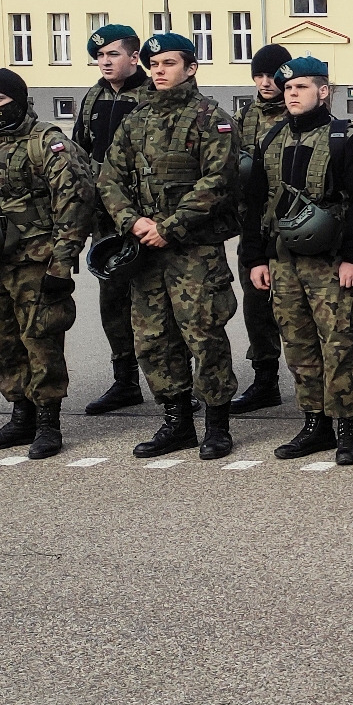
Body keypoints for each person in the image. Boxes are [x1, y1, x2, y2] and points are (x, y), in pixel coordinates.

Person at [97, 31, 242, 461]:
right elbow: (109, 179)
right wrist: (132, 221)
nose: (159, 71)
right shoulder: (135, 120)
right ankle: (177, 423)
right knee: (153, 338)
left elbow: (217, 182)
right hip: (146, 251)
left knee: (204, 334)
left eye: (169, 64)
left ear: (190, 68)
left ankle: (217, 426)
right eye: (154, 65)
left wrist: (170, 227)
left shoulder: (211, 119)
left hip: (194, 251)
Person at [0, 68, 94, 461]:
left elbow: (74, 206)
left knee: (41, 340)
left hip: (36, 263)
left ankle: (48, 422)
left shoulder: (47, 143)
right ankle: (20, 414)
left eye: (0, 100)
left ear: (19, 101)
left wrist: (62, 266)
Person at [241, 56, 353, 468]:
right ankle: (314, 423)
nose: (292, 94)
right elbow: (255, 203)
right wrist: (255, 258)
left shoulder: (346, 141)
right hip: (283, 263)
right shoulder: (271, 140)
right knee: (298, 345)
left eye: (301, 87)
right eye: (287, 88)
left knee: (338, 344)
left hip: (331, 263)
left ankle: (348, 429)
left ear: (323, 91)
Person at [71, 24, 152, 416]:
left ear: (134, 57)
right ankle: (125, 382)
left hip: (146, 216)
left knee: (158, 300)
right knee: (113, 301)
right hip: (105, 219)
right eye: (100, 56)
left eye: (112, 54)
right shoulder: (94, 97)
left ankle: (177, 384)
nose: (104, 62)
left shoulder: (153, 94)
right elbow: (79, 153)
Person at [227, 43, 291, 415]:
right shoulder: (244, 117)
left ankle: (317, 383)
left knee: (298, 307)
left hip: (292, 226)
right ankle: (265, 379)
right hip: (253, 224)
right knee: (256, 305)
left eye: (272, 75)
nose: (266, 82)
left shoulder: (298, 109)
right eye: (259, 75)